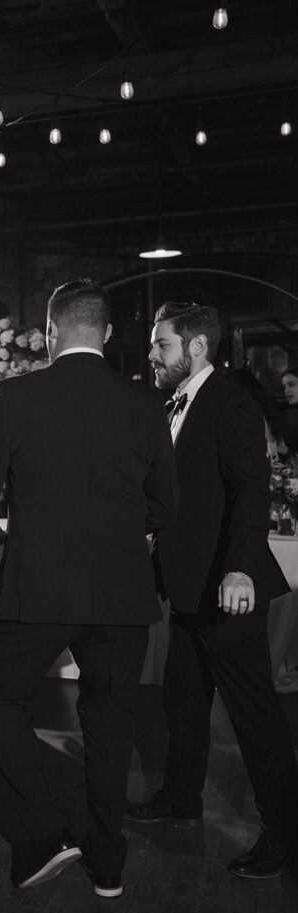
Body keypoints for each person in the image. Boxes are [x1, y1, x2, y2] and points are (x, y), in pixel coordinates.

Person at [0, 278, 178, 897]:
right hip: (120, 593)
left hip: (39, 590)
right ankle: (108, 865)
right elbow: (167, 503)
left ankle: (47, 830)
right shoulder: (143, 403)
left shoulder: (19, 394)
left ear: (52, 334)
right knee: (110, 724)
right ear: (108, 333)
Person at [127, 301, 298, 879]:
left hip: (228, 589)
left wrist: (242, 569)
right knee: (182, 701)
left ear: (196, 347)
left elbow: (252, 490)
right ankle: (181, 799)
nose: (152, 353)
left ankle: (284, 832)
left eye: (162, 344)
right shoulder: (174, 402)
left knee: (255, 715)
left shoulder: (231, 401)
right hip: (189, 590)